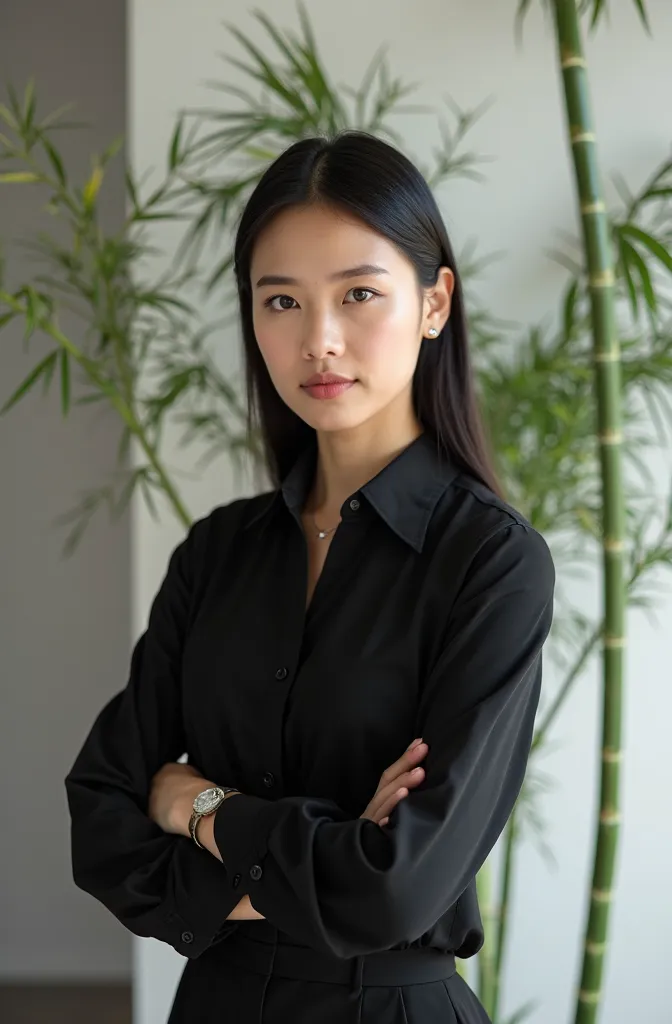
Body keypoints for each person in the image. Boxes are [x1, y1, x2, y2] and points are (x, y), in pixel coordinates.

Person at [65, 130, 555, 1024]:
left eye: (360, 293)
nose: (319, 341)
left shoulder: (492, 562)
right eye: (280, 300)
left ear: (436, 301)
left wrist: (198, 804)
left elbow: (392, 892)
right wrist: (323, 857)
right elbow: (100, 823)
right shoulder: (217, 553)